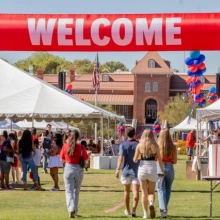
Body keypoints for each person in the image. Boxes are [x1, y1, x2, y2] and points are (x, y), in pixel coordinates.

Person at [133, 129, 164, 219]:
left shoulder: (139, 145)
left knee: (144, 193)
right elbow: (160, 160)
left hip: (142, 168)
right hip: (152, 169)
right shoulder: (155, 145)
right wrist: (162, 171)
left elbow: (134, 160)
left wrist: (139, 156)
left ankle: (145, 213)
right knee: (151, 192)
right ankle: (151, 203)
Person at [60, 130, 89, 218]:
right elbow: (86, 160)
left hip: (69, 168)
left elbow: (62, 159)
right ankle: (75, 211)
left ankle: (71, 208)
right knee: (76, 192)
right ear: (78, 137)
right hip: (79, 169)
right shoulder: (81, 147)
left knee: (69, 191)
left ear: (69, 137)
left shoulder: (65, 146)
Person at [115, 127, 140, 218]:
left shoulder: (123, 145)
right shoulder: (138, 144)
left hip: (126, 171)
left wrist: (117, 169)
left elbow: (120, 158)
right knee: (136, 191)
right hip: (137, 170)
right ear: (134, 134)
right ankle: (134, 210)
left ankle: (127, 209)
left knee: (126, 191)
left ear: (126, 134)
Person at [157, 128, 177, 218]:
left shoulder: (158, 146)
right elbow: (175, 161)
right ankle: (165, 209)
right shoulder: (173, 146)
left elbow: (155, 159)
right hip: (169, 167)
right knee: (168, 189)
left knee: (161, 189)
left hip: (160, 168)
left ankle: (163, 209)